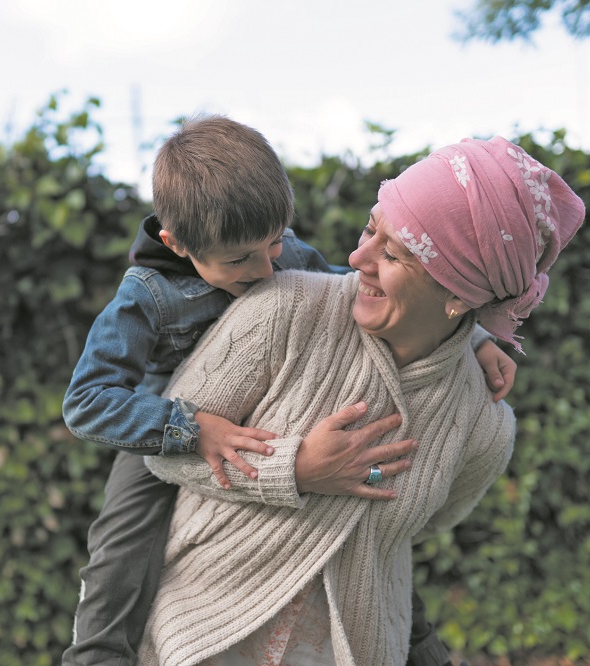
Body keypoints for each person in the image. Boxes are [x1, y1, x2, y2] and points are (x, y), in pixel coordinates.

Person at [61, 117, 516, 666]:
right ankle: (95, 656)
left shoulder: (283, 259)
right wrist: (186, 427)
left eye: (274, 244)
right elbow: (88, 402)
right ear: (175, 243)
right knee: (121, 544)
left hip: (273, 407)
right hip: (167, 418)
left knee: (368, 545)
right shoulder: (145, 297)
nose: (264, 270)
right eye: (238, 260)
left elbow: (356, 290)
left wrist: (479, 336)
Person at [140, 136, 585, 666]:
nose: (357, 258)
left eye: (392, 253)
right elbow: (161, 449)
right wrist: (295, 468)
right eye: (372, 229)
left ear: (458, 296)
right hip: (202, 636)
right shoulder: (284, 309)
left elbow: (431, 523)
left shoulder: (485, 425)